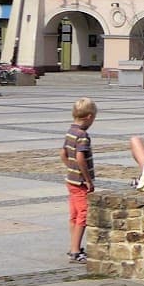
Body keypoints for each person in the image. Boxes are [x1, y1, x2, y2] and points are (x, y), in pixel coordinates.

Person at [61, 97, 97, 263]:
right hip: (80, 183)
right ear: (89, 117)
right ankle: (75, 251)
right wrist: (87, 179)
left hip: (70, 180)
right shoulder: (82, 135)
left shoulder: (70, 131)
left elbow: (63, 153)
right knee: (83, 214)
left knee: (74, 214)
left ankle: (73, 245)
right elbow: (81, 157)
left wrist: (71, 167)